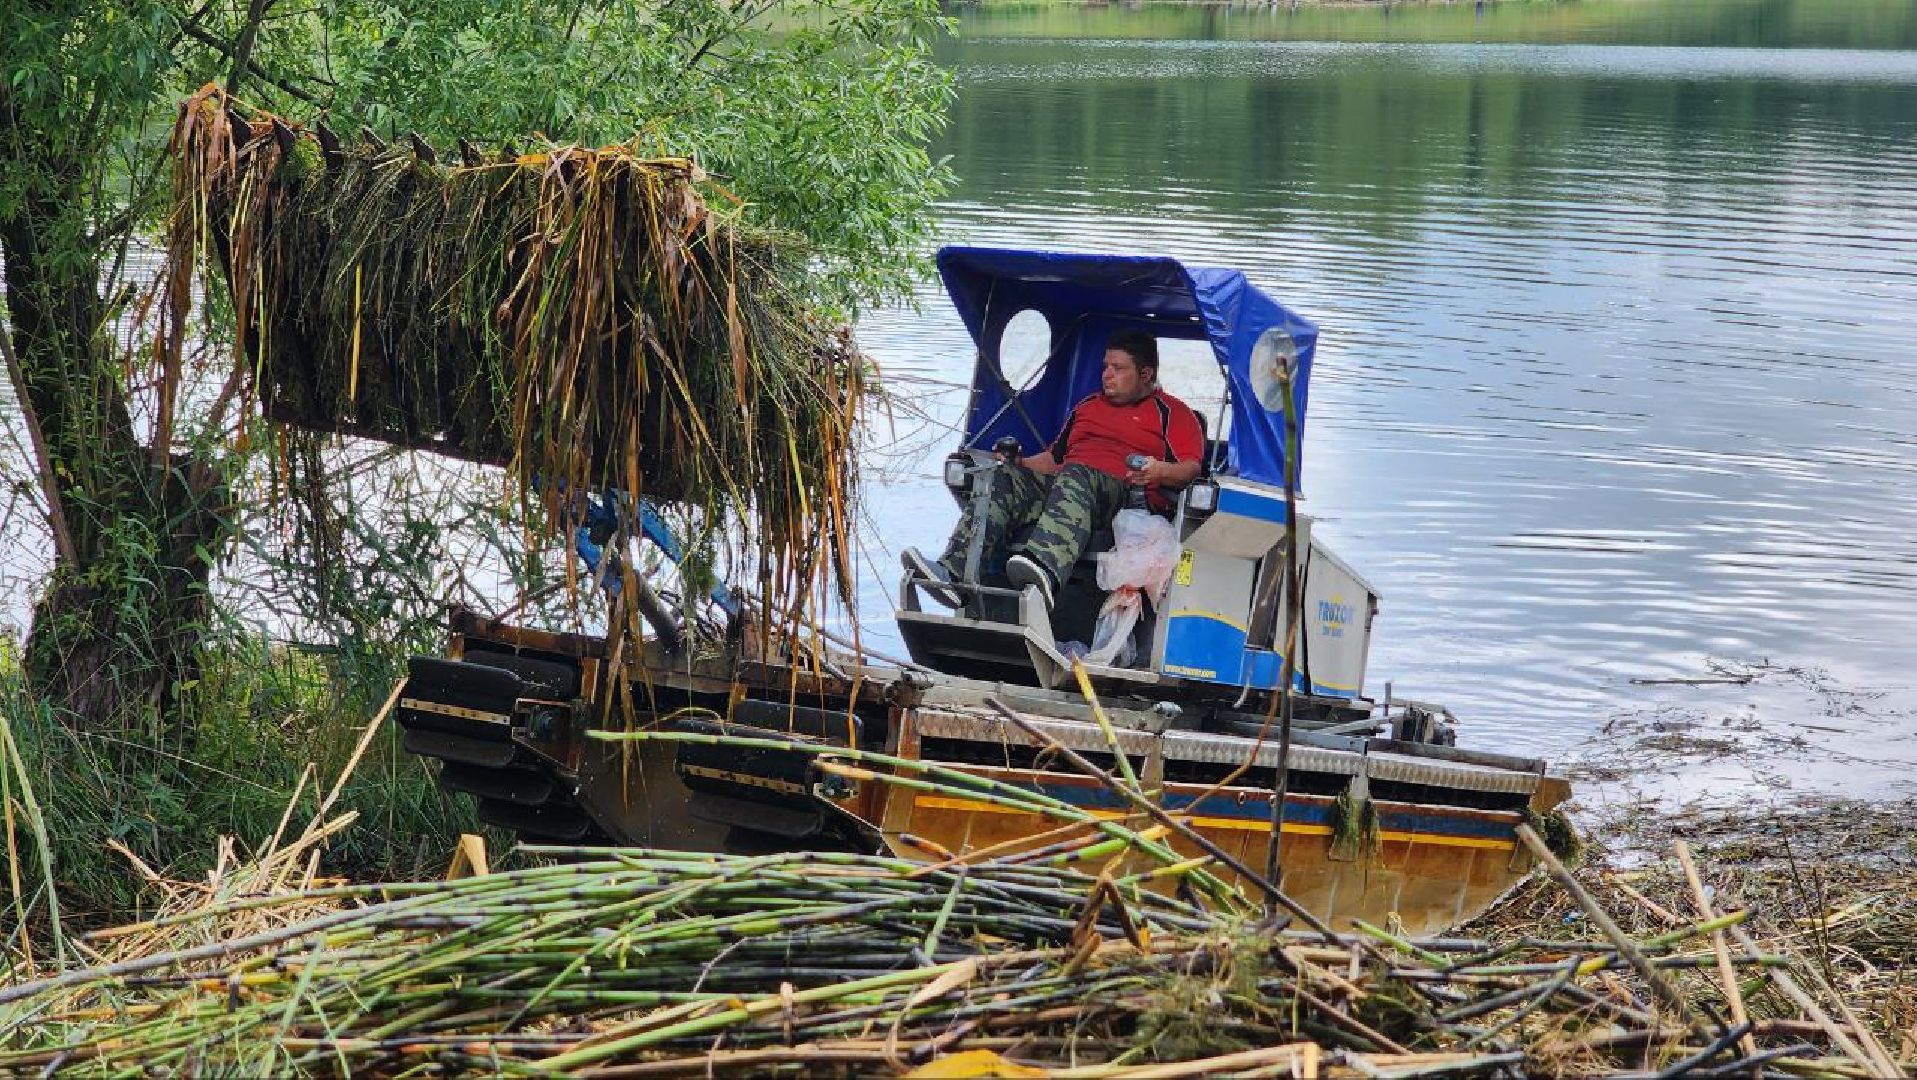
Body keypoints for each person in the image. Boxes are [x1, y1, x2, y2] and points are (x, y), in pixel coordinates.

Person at [903, 329, 1204, 610]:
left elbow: (1190, 468)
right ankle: (954, 576)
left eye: (1118, 368)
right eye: (1105, 367)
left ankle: (1043, 569)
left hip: (1122, 495)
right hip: (1070, 484)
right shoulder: (1087, 407)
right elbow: (1052, 460)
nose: (1106, 375)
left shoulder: (1174, 414)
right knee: (1000, 478)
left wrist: (1159, 470)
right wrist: (1016, 465)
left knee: (1076, 475)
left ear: (1146, 373)